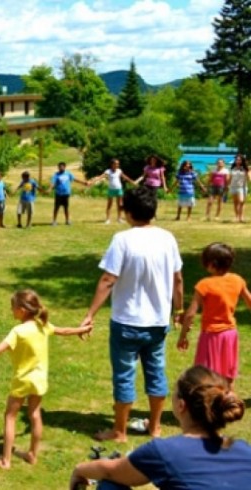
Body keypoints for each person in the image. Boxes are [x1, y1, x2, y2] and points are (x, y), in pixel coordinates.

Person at [80, 186, 183, 442]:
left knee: (124, 376)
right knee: (156, 372)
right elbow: (178, 279)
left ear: (126, 211)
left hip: (126, 321)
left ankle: (120, 432)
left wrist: (90, 313)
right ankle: (155, 427)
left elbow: (107, 279)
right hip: (158, 322)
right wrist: (178, 310)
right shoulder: (167, 238)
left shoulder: (122, 239)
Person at [69, 365, 251, 490]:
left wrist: (79, 469)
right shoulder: (244, 450)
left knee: (110, 485)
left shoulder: (165, 451)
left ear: (181, 406)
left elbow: (109, 470)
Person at [0, 290, 91, 469]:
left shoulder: (18, 331)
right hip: (40, 380)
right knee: (35, 415)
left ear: (22, 310)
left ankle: (6, 461)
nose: (11, 311)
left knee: (10, 417)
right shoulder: (42, 325)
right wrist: (83, 329)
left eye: (13, 308)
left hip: (22, 381)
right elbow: (63, 330)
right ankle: (32, 454)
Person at [178, 243, 251, 392]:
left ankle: (207, 408)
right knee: (228, 375)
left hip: (211, 336)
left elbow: (191, 314)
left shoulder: (204, 285)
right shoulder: (238, 280)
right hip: (230, 335)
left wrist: (183, 335)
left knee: (204, 375)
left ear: (211, 264)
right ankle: (228, 403)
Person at [89, 159, 137, 224]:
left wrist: (132, 182)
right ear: (112, 164)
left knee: (120, 204)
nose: (117, 165)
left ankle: (119, 219)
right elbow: (100, 177)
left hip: (119, 189)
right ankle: (108, 219)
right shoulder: (108, 171)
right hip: (111, 189)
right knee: (109, 204)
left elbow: (125, 177)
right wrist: (92, 181)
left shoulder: (119, 171)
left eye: (118, 164)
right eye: (116, 164)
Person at [227, 154, 250, 222]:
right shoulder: (232, 168)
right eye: (236, 159)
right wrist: (227, 185)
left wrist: (248, 174)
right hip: (233, 186)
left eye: (239, 159)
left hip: (242, 187)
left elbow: (249, 177)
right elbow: (230, 178)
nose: (237, 161)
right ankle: (237, 217)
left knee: (241, 201)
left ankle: (241, 216)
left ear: (242, 160)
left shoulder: (245, 168)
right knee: (235, 202)